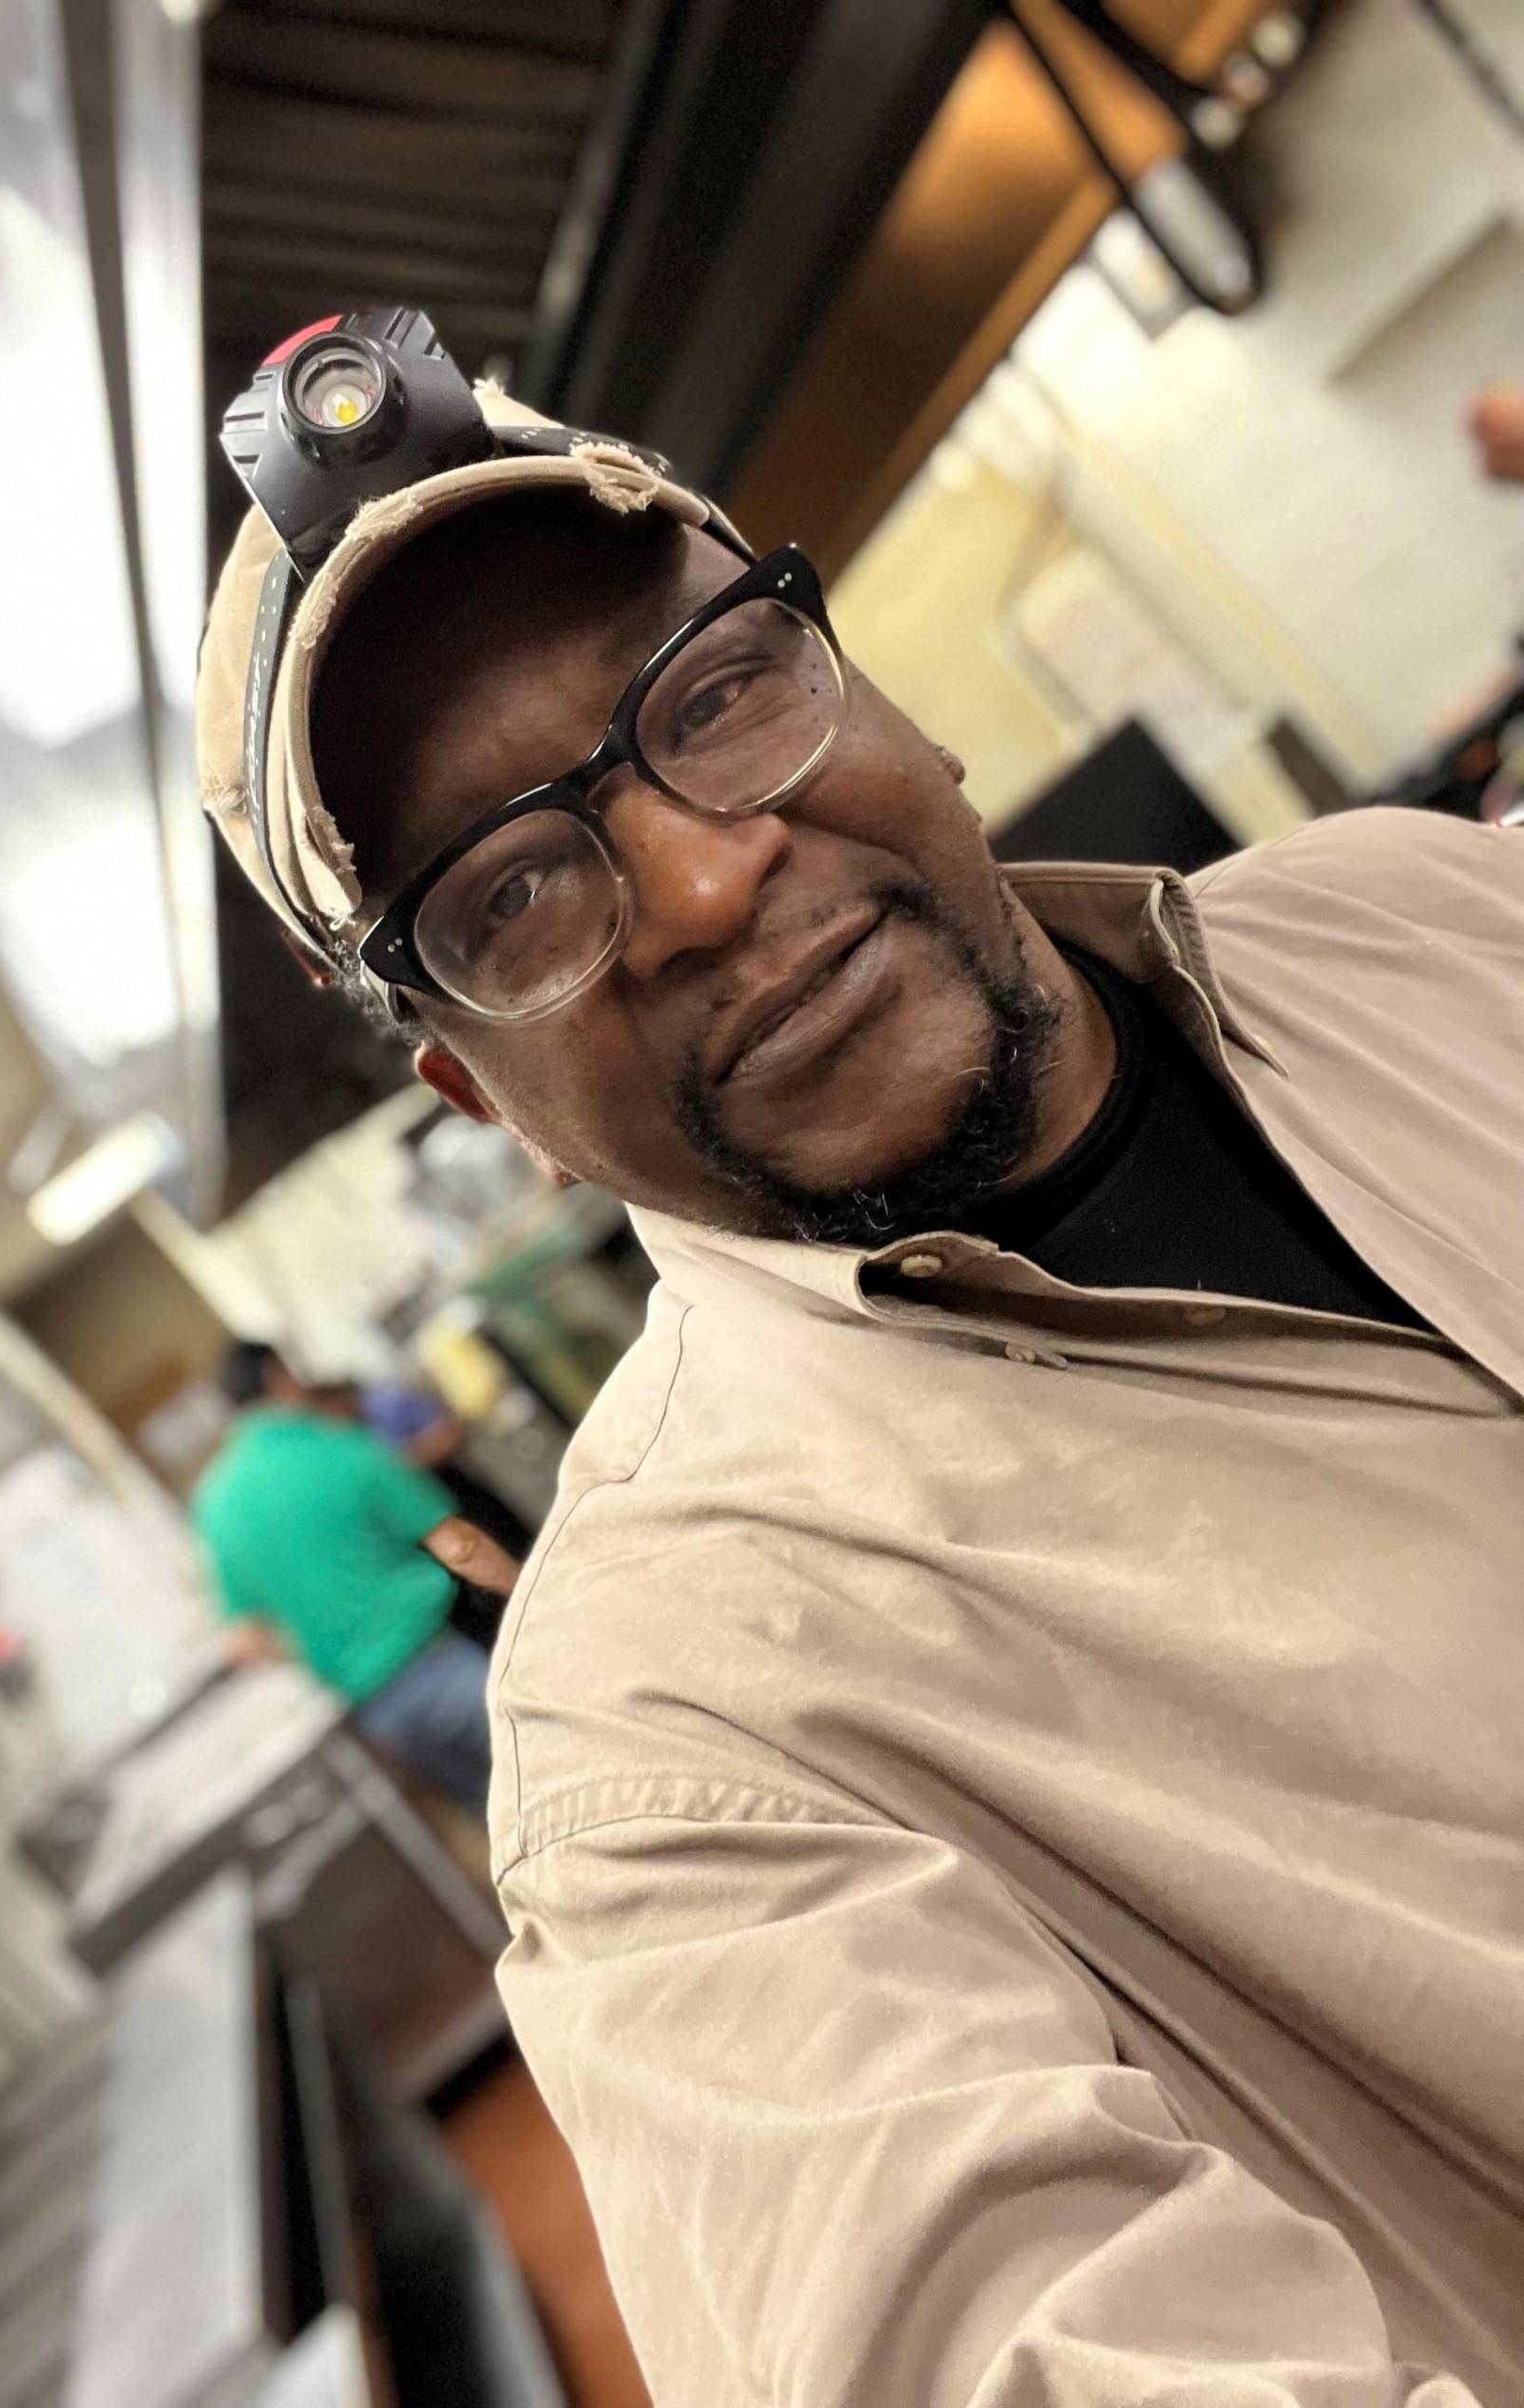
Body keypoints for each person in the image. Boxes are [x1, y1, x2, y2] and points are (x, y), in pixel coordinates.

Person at [194, 345, 1523, 2401]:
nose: (709, 878)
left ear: (861, 679)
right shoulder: (672, 1738)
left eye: (715, 694)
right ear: (475, 1089)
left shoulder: (1412, 913)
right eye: (512, 892)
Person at [192, 1341, 517, 1808]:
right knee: (569, 1774)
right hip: (441, 1666)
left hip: (375, 1714)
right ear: (278, 1377)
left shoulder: (215, 1506)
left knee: (504, 1820)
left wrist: (321, 1645)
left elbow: (244, 1641)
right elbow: (461, 1547)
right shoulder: (338, 1449)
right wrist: (534, 1594)